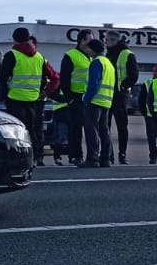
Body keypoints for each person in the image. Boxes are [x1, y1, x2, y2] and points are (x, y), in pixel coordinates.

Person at [0, 27, 49, 165]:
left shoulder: (12, 55)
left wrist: (4, 94)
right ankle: (35, 156)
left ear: (14, 39)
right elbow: (46, 76)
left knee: (15, 130)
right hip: (33, 98)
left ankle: (18, 157)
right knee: (31, 129)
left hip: (15, 97)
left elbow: (3, 77)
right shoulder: (39, 57)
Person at [78, 34, 116, 168]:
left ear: (92, 49)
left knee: (91, 130)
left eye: (88, 49)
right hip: (106, 101)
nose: (86, 51)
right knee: (104, 130)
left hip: (95, 101)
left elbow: (93, 84)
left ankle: (92, 158)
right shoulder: (108, 63)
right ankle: (105, 158)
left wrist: (87, 99)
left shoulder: (96, 62)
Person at [59, 28, 97, 164]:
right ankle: (75, 155)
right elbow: (64, 78)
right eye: (90, 39)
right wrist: (69, 97)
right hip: (76, 97)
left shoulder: (92, 56)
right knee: (75, 128)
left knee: (89, 128)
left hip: (89, 97)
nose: (92, 42)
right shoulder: (71, 55)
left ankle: (90, 155)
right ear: (82, 40)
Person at [104, 33, 139, 164]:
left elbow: (134, 75)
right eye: (106, 40)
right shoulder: (107, 55)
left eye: (110, 40)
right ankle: (109, 153)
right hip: (107, 93)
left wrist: (123, 86)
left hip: (120, 94)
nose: (107, 42)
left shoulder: (127, 54)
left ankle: (122, 154)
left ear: (117, 41)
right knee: (105, 125)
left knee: (121, 126)